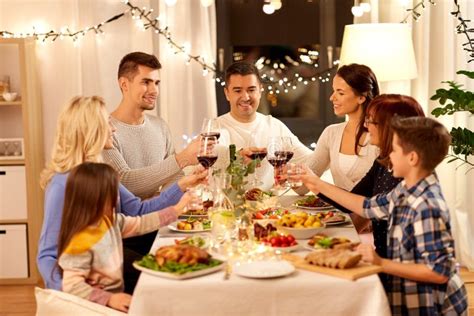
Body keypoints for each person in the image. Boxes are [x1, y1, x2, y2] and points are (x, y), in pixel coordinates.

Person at [296, 116, 468, 314]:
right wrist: (314, 183)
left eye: (394, 150)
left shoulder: (427, 206)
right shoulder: (406, 188)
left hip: (435, 306)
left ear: (412, 158)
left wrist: (381, 263)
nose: (388, 155)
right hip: (410, 298)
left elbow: (438, 271)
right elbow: (367, 206)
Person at [37, 96, 206, 292]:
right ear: (92, 129)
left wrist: (184, 185)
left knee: (178, 255)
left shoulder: (101, 172)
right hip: (88, 273)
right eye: (107, 123)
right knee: (158, 277)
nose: (114, 129)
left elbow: (137, 210)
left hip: (111, 252)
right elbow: (47, 255)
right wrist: (74, 296)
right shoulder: (61, 184)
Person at [58, 162, 189, 312]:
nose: (118, 199)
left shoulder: (110, 222)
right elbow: (71, 286)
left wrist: (177, 210)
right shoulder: (79, 242)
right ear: (96, 197)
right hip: (96, 308)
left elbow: (142, 223)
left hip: (115, 298)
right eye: (113, 193)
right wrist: (109, 299)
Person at [317, 94, 425, 260]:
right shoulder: (383, 163)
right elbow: (352, 200)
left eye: (371, 121)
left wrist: (314, 183)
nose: (366, 126)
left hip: (401, 270)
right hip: (383, 259)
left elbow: (365, 206)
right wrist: (311, 183)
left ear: (390, 127)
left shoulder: (410, 176)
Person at [102, 52, 200, 200]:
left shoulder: (160, 126)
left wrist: (156, 201)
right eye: (146, 82)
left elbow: (175, 175)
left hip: (159, 217)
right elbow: (124, 183)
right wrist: (182, 158)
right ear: (124, 84)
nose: (154, 90)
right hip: (122, 221)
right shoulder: (105, 130)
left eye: (156, 83)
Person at [216, 61, 312, 189]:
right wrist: (236, 156)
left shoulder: (275, 126)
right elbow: (211, 156)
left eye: (251, 90)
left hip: (269, 206)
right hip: (227, 207)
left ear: (260, 91)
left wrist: (291, 170)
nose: (245, 97)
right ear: (227, 93)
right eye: (237, 91)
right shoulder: (216, 128)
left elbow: (309, 160)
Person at [299, 63, 380, 192]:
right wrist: (289, 176)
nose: (332, 98)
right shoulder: (331, 133)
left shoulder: (379, 136)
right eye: (334, 91)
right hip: (337, 212)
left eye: (340, 93)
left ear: (361, 97)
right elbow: (303, 188)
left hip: (369, 211)